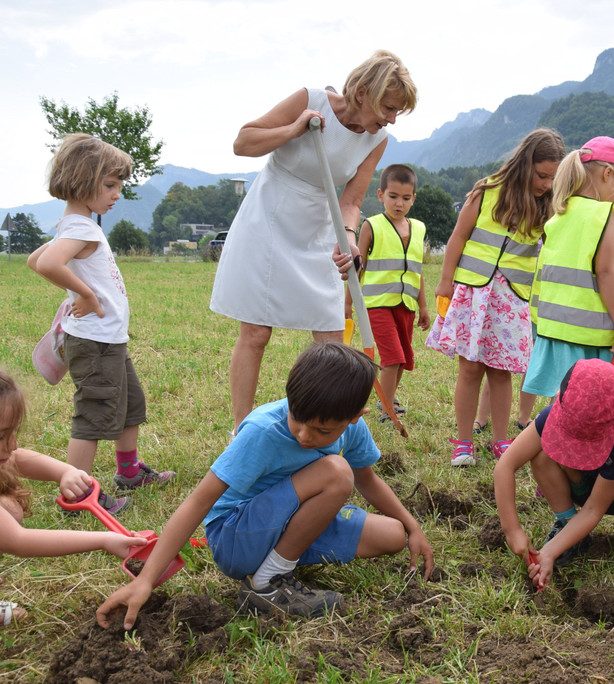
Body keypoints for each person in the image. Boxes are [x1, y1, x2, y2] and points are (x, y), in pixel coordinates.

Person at [95, 342, 434, 629]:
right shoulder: (262, 430)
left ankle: (277, 563)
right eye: (297, 419)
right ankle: (268, 583)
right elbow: (199, 501)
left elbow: (368, 480)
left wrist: (413, 527)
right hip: (235, 536)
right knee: (336, 471)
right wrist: (146, 579)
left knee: (392, 535)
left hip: (285, 525)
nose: (304, 436)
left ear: (355, 416)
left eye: (322, 431)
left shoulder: (353, 428)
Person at [209, 50, 417, 432]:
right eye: (388, 108)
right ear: (363, 92)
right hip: (269, 215)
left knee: (331, 340)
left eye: (396, 112)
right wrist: (294, 128)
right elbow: (243, 142)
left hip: (320, 223)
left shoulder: (378, 139)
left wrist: (348, 237)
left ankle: (328, 427)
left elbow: (351, 201)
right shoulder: (311, 99)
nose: (391, 119)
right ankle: (241, 431)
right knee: (256, 333)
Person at [27, 134, 174, 513]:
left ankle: (129, 472)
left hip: (108, 339)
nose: (117, 194)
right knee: (94, 414)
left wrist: (79, 290)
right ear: (82, 181)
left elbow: (34, 260)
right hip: (95, 343)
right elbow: (46, 264)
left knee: (129, 404)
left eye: (118, 185)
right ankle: (77, 494)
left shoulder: (73, 225)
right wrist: (86, 294)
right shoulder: (81, 228)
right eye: (110, 185)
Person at [428, 129, 565, 465]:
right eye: (541, 175)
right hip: (474, 294)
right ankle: (463, 443)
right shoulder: (485, 191)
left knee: (502, 372)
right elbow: (458, 237)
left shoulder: (549, 206)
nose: (546, 184)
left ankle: (501, 442)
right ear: (524, 164)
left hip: (511, 299)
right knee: (469, 370)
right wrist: (445, 281)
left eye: (553, 178)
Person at [495, 359, 614, 585]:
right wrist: (513, 531)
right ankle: (567, 522)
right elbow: (505, 467)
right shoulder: (550, 417)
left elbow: (593, 509)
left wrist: (549, 552)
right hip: (578, 486)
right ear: (560, 401)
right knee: (539, 452)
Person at [0, 370, 147, 627]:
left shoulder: (9, 451)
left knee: (9, 510)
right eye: (2, 435)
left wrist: (64, 472)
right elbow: (19, 540)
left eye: (13, 432)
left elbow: (18, 457)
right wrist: (104, 540)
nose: (12, 445)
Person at [522, 136, 614, 400]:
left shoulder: (559, 213)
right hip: (589, 333)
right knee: (588, 402)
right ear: (607, 174)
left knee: (561, 400)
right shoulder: (605, 213)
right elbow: (605, 272)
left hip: (553, 330)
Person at [357, 164, 429, 422]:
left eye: (406, 198)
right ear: (381, 195)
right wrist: (347, 304)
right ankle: (387, 411)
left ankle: (387, 399)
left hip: (406, 305)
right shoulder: (371, 226)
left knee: (404, 359)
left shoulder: (418, 228)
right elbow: (357, 268)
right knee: (392, 358)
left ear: (414, 198)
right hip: (377, 304)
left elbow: (417, 271)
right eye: (393, 196)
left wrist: (423, 306)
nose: (399, 203)